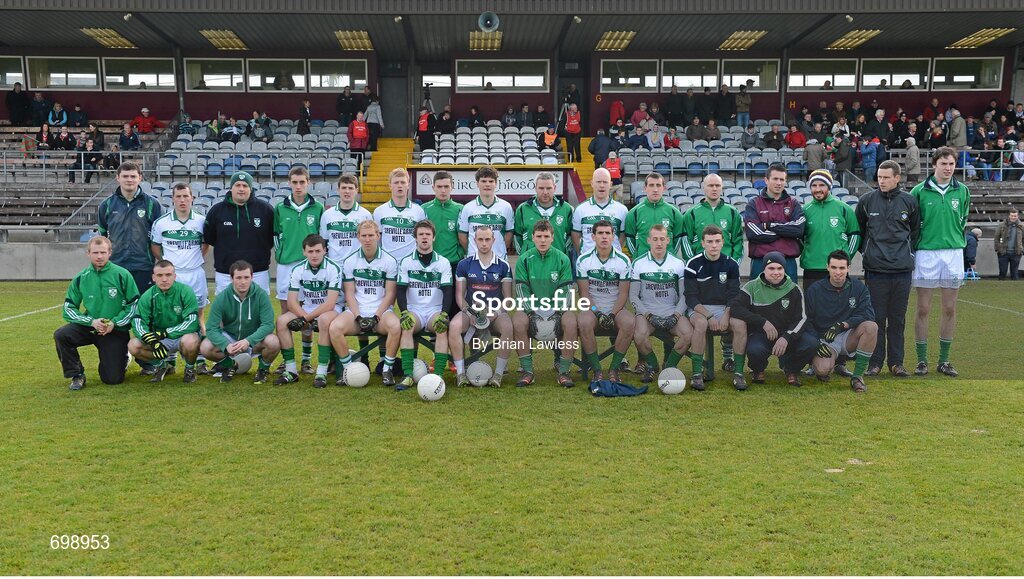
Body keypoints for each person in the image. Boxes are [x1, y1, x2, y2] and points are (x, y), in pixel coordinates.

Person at [854, 160, 918, 377]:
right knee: (876, 319)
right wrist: (869, 253)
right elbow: (860, 231)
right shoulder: (866, 201)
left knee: (898, 320)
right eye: (879, 177)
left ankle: (897, 363)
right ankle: (875, 363)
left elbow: (916, 234)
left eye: (886, 177)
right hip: (876, 271)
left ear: (897, 178)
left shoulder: (910, 202)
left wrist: (906, 255)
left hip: (902, 271)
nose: (881, 181)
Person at [910, 147, 971, 377]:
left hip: (954, 253)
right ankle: (921, 360)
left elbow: (962, 220)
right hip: (927, 253)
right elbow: (914, 224)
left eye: (951, 164)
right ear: (934, 164)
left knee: (949, 307)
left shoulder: (963, 191)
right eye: (943, 163)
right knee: (923, 308)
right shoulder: (919, 191)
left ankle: (944, 360)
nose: (948, 168)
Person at [55, 236, 139, 390]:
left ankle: (123, 357)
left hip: (114, 329)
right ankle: (77, 375)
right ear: (88, 254)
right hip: (91, 325)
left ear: (110, 253)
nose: (99, 256)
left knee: (112, 379)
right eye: (95, 252)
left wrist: (115, 322)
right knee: (62, 335)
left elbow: (134, 305)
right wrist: (91, 322)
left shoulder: (122, 274)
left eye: (103, 252)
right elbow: (68, 308)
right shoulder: (81, 278)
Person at [728, 251, 817, 389]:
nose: (776, 272)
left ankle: (791, 369)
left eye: (779, 268)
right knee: (755, 349)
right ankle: (758, 370)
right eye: (771, 268)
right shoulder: (751, 286)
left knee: (811, 344)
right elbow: (735, 308)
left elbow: (802, 318)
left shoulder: (794, 289)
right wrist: (762, 321)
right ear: (764, 269)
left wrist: (787, 337)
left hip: (787, 335)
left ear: (784, 269)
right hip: (762, 335)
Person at [328, 220, 402, 386]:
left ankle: (386, 369)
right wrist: (358, 316)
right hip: (357, 311)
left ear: (378, 236)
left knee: (396, 326)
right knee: (334, 328)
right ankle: (348, 369)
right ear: (358, 237)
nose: (367, 239)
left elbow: (390, 294)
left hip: (381, 312)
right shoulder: (350, 261)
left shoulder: (389, 261)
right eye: (364, 236)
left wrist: (376, 316)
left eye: (371, 235)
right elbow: (349, 293)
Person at [150, 182, 211, 373]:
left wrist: (193, 260)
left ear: (192, 197)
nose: (182, 200)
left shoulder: (201, 221)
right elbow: (155, 247)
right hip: (173, 276)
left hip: (195, 274)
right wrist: (167, 266)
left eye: (186, 196)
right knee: (170, 316)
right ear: (172, 198)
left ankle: (199, 359)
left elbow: (205, 245)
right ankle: (170, 360)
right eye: (178, 196)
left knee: (198, 316)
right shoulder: (162, 223)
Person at [512, 220, 577, 387]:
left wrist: (557, 313)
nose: (542, 240)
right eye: (539, 236)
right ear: (532, 238)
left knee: (570, 321)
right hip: (532, 309)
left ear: (552, 238)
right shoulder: (524, 259)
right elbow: (521, 290)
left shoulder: (562, 259)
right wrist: (530, 312)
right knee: (518, 321)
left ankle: (564, 372)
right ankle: (528, 371)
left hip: (556, 309)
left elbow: (566, 291)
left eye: (546, 236)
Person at [273, 167, 325, 375]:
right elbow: (276, 236)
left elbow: (321, 238)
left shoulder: (318, 208)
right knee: (287, 315)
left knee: (308, 314)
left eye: (302, 182)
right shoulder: (279, 208)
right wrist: (281, 256)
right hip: (286, 266)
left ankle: (305, 360)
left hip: (308, 267)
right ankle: (288, 360)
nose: (298, 186)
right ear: (289, 183)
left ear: (308, 183)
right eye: (294, 182)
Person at [273, 234, 343, 388]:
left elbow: (330, 303)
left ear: (325, 250)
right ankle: (291, 371)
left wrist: (305, 319)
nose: (314, 255)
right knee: (281, 321)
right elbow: (291, 302)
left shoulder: (334, 268)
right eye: (310, 251)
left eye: (318, 251)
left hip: (331, 309)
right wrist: (305, 316)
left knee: (324, 320)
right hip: (307, 309)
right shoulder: (298, 269)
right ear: (304, 252)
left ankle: (321, 372)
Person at [805, 250, 878, 392]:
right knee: (822, 370)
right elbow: (806, 321)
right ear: (827, 267)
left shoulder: (858, 287)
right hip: (825, 339)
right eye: (834, 267)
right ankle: (820, 365)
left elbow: (868, 313)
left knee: (871, 327)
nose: (838, 272)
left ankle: (857, 377)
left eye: (842, 268)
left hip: (848, 336)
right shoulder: (814, 290)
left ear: (848, 268)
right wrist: (815, 344)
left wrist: (844, 325)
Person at [629, 224, 693, 384]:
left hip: (671, 311)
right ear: (648, 240)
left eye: (662, 239)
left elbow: (685, 294)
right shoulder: (638, 263)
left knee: (688, 334)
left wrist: (676, 315)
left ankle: (669, 367)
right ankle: (652, 365)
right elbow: (633, 296)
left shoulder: (678, 263)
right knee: (639, 335)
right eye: (655, 239)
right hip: (647, 313)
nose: (659, 243)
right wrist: (648, 315)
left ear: (668, 241)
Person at [449, 226, 513, 387]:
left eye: (487, 239)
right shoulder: (464, 264)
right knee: (454, 326)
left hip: (495, 312)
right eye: (480, 239)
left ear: (493, 240)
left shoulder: (503, 266)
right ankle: (461, 373)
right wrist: (470, 313)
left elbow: (508, 299)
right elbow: (459, 296)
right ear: (474, 240)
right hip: (471, 311)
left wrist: (496, 313)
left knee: (508, 327)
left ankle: (498, 374)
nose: (484, 243)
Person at [394, 221, 453, 391]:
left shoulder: (442, 262)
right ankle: (408, 375)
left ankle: (439, 375)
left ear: (433, 237)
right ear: (415, 238)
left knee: (441, 328)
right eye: (421, 235)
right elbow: (401, 290)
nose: (424, 237)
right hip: (415, 310)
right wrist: (404, 312)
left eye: (428, 234)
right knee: (407, 326)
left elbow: (448, 290)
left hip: (435, 310)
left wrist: (444, 314)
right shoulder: (406, 262)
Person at [201, 260, 280, 384]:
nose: (243, 282)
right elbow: (211, 328)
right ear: (232, 278)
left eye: (246, 277)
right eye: (238, 277)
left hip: (253, 340)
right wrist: (225, 345)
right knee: (205, 346)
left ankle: (263, 369)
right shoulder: (222, 298)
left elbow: (268, 324)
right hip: (230, 339)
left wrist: (248, 341)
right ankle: (230, 365)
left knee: (273, 341)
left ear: (252, 277)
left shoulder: (261, 295)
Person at [683, 225, 741, 391]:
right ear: (703, 243)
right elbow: (691, 297)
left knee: (740, 324)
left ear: (723, 242)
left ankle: (738, 373)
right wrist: (709, 316)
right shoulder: (693, 264)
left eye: (717, 241)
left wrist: (725, 315)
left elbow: (734, 295)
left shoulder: (731, 264)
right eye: (709, 242)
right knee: (700, 324)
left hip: (724, 307)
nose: (713, 245)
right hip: (700, 308)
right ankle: (696, 373)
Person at [576, 220, 634, 382]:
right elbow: (584, 293)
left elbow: (623, 294)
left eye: (608, 233)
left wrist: (612, 314)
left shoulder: (623, 260)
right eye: (600, 233)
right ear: (593, 237)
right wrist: (598, 312)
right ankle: (596, 369)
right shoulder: (583, 260)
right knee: (584, 322)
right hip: (593, 309)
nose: (604, 237)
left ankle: (614, 369)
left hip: (616, 309)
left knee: (629, 322)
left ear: (613, 236)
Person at [128, 260, 201, 383]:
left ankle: (189, 369)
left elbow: (192, 321)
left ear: (174, 276)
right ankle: (162, 365)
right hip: (159, 339)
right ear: (153, 277)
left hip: (181, 336)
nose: (164, 279)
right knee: (133, 346)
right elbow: (138, 322)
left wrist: (166, 333)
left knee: (190, 341)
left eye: (168, 275)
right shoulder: (147, 296)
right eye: (160, 275)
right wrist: (149, 339)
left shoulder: (185, 291)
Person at [204, 171, 275, 295]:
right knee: (225, 311)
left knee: (258, 311)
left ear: (251, 188)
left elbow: (270, 239)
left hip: (258, 272)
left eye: (245, 185)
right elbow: (210, 238)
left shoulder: (266, 210)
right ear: (231, 188)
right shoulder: (216, 211)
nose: (241, 189)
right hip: (225, 273)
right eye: (237, 185)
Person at [98, 161, 162, 295]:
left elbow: (159, 238)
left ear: (140, 178)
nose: (129, 180)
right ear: (118, 178)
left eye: (133, 176)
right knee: (117, 309)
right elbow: (103, 238)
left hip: (143, 266)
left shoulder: (152, 204)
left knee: (143, 310)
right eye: (125, 176)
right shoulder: (106, 205)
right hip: (116, 265)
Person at [800, 169, 860, 291]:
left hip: (837, 269)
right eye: (814, 185)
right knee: (813, 307)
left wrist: (846, 257)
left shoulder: (844, 209)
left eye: (822, 185)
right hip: (812, 268)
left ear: (829, 186)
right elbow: (798, 237)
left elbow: (855, 235)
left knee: (839, 307)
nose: (817, 189)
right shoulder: (804, 210)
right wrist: (808, 253)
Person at [743, 164, 805, 281]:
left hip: (787, 261)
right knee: (758, 298)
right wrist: (785, 233)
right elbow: (752, 233)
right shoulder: (754, 203)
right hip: (760, 261)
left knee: (789, 298)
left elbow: (798, 229)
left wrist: (769, 226)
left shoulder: (793, 203)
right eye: (775, 179)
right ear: (766, 180)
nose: (779, 183)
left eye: (782, 179)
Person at [458, 165, 515, 258]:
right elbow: (462, 236)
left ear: (496, 183)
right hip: (474, 260)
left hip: (499, 259)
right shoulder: (468, 208)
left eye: (491, 181)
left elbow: (509, 234)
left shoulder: (506, 207)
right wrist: (473, 251)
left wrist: (500, 250)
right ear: (477, 183)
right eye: (483, 181)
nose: (487, 184)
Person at [624, 172, 685, 259]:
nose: (655, 189)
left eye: (658, 185)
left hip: (667, 263)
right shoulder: (634, 213)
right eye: (651, 185)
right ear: (645, 188)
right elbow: (629, 238)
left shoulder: (674, 212)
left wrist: (670, 257)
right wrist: (637, 257)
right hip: (643, 261)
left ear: (664, 188)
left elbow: (678, 238)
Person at [373, 168, 426, 263]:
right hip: (387, 263)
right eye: (396, 183)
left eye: (403, 182)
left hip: (411, 263)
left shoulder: (419, 211)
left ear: (408, 185)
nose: (400, 186)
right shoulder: (379, 211)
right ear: (390, 186)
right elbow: (378, 241)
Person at [514, 172, 573, 255]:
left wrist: (562, 254)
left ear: (554, 188)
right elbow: (517, 236)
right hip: (531, 262)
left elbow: (571, 237)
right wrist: (524, 255)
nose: (545, 192)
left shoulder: (566, 209)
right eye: (541, 188)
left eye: (549, 188)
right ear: (535, 188)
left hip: (557, 262)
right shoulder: (523, 209)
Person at [572, 168, 628, 255]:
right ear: (592, 184)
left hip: (614, 263)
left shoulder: (622, 210)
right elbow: (575, 235)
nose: (602, 185)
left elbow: (622, 236)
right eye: (598, 182)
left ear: (610, 184)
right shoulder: (580, 209)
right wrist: (583, 254)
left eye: (605, 182)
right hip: (588, 263)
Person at [320, 174, 373, 261]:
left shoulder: (365, 215)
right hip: (334, 265)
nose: (347, 191)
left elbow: (370, 242)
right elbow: (324, 242)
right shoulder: (327, 215)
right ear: (338, 190)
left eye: (350, 188)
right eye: (344, 188)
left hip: (358, 265)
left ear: (356, 190)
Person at [994, 209, 1023, 280]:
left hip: (1016, 253)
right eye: (1012, 216)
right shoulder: (1001, 225)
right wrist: (998, 249)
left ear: (1018, 216)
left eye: (1015, 216)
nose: (1013, 217)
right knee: (1002, 272)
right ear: (1009, 216)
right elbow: (996, 238)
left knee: (1014, 273)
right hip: (1003, 253)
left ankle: (1015, 289)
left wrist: (1022, 249)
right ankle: (1000, 288)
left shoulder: (1021, 226)